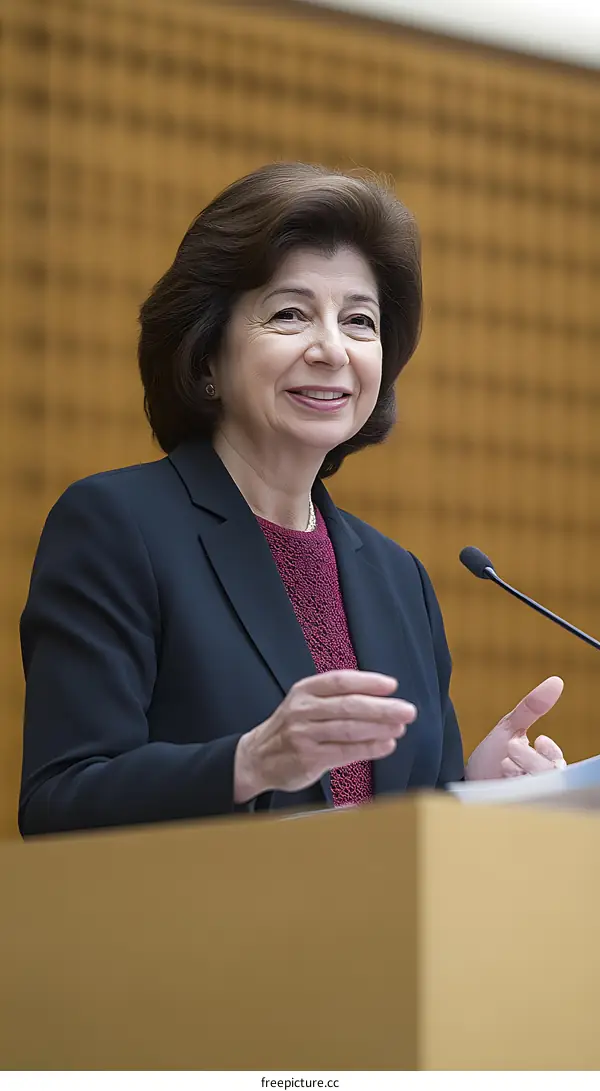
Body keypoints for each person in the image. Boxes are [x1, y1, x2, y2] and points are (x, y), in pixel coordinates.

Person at [18, 162, 566, 836]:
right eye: (290, 313)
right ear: (207, 355)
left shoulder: (401, 580)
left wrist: (475, 795)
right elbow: (59, 802)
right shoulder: (118, 527)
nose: (333, 348)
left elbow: (393, 830)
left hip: (379, 943)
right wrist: (249, 762)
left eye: (359, 321)